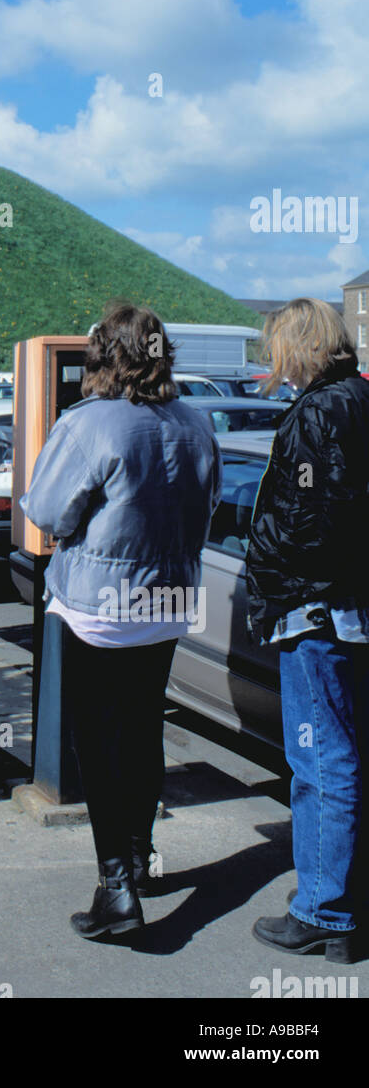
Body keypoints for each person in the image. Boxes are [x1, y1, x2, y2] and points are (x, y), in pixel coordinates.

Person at [24, 302, 222, 940]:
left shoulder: (89, 424)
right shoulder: (196, 423)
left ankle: (116, 889)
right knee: (141, 730)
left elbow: (50, 513)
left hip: (99, 609)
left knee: (99, 745)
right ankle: (139, 857)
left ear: (107, 355)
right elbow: (209, 506)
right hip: (166, 602)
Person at [246, 298, 369, 965]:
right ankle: (345, 911)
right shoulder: (357, 399)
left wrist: (261, 556)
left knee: (320, 762)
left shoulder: (315, 413)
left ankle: (322, 910)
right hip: (351, 611)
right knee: (346, 755)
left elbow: (309, 523)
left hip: (315, 611)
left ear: (297, 347)